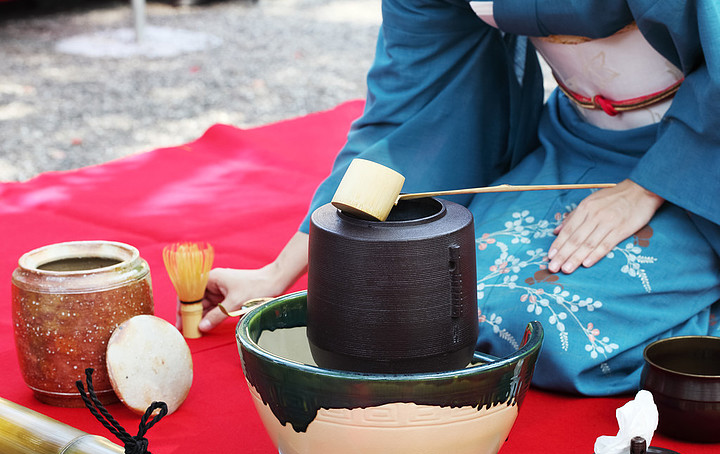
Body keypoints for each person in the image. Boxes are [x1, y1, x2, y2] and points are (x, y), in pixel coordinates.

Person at [198, 0, 720, 395]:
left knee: (548, 327)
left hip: (698, 155)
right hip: (574, 142)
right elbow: (411, 109)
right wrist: (283, 268)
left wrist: (647, 187)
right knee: (443, 298)